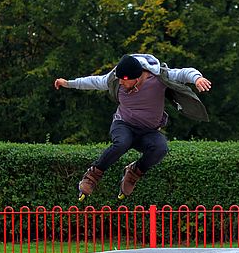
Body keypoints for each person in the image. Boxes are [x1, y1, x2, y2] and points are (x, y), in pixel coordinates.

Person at [54, 53, 212, 200]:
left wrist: (197, 78)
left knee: (160, 148)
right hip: (123, 124)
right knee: (122, 143)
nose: (121, 83)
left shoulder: (159, 77)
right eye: (119, 79)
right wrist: (68, 83)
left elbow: (184, 73)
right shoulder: (115, 80)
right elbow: (93, 81)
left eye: (124, 80)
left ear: (136, 78)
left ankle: (134, 172)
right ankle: (92, 176)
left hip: (148, 131)